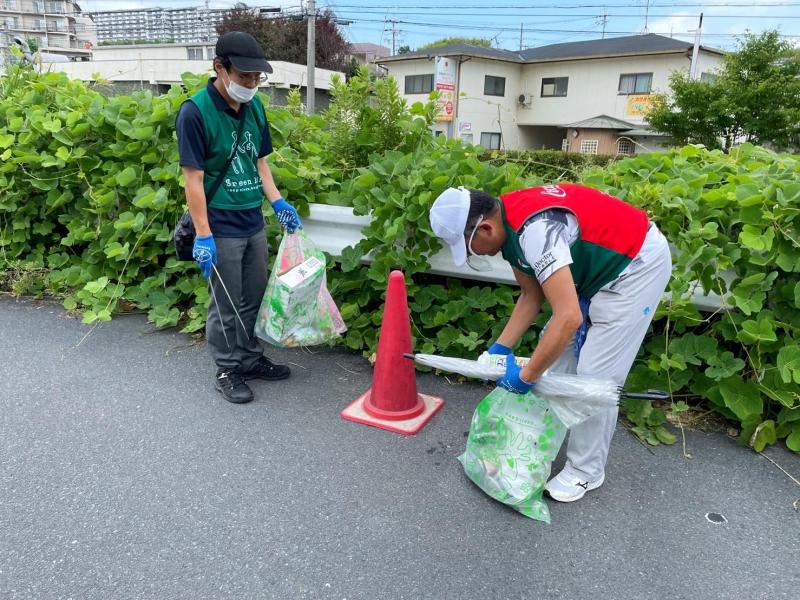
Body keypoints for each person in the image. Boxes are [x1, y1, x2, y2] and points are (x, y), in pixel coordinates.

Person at [429, 183, 672, 502]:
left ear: (484, 227)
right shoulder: (508, 225)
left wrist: (525, 377)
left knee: (595, 376)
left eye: (470, 247)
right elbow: (532, 294)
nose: (477, 254)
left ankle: (586, 471)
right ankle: (537, 441)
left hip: (635, 266)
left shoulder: (535, 232)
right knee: (554, 360)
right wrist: (500, 348)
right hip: (597, 269)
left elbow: (568, 317)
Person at [176, 31, 302, 404]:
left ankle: (249, 358)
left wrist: (278, 202)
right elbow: (192, 178)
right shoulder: (196, 111)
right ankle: (227, 367)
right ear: (220, 68)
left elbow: (259, 162)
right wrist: (203, 235)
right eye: (244, 76)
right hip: (220, 224)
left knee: (253, 296)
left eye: (257, 77)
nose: (251, 83)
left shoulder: (255, 107)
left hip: (252, 218)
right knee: (226, 302)